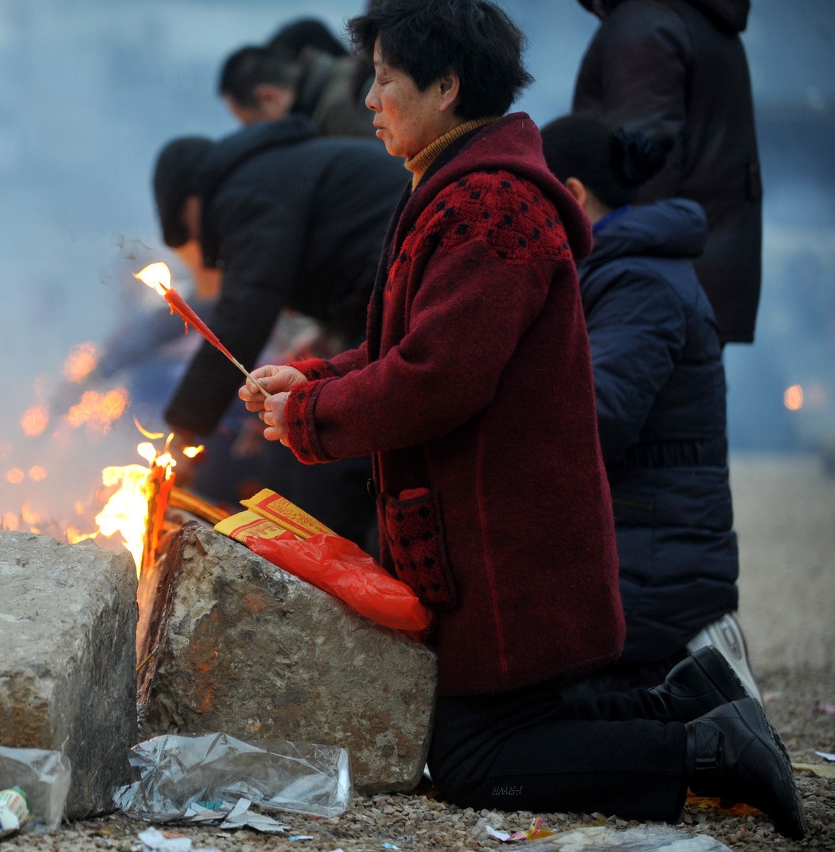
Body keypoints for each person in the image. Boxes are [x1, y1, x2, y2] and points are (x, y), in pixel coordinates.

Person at [238, 0, 805, 838]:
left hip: (508, 543)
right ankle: (690, 701)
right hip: (489, 536)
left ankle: (703, 748)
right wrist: (313, 377)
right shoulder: (452, 185)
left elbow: (438, 379)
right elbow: (406, 345)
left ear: (446, 84)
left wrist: (313, 415)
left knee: (474, 761)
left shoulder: (492, 205)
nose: (370, 99)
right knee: (501, 731)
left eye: (385, 78)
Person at [541, 113, 761, 701]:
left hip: (653, 561)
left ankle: (703, 693)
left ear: (570, 196)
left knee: (511, 715)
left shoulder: (638, 280)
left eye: (531, 200)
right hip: (638, 538)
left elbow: (599, 415)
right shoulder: (616, 271)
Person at [152, 117, 406, 545]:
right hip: (384, 303)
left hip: (403, 294)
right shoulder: (270, 172)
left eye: (188, 231)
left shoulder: (246, 190)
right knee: (295, 451)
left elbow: (245, 309)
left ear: (191, 200)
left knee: (328, 462)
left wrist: (185, 429)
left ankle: (333, 598)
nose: (201, 244)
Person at [572, 0, 762, 344]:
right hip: (691, 279)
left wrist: (608, 284)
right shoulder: (684, 16)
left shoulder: (646, 21)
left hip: (648, 294)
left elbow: (642, 175)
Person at [218, 33, 375, 138]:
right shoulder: (342, 71)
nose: (258, 135)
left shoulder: (339, 113)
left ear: (269, 97)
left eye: (254, 124)